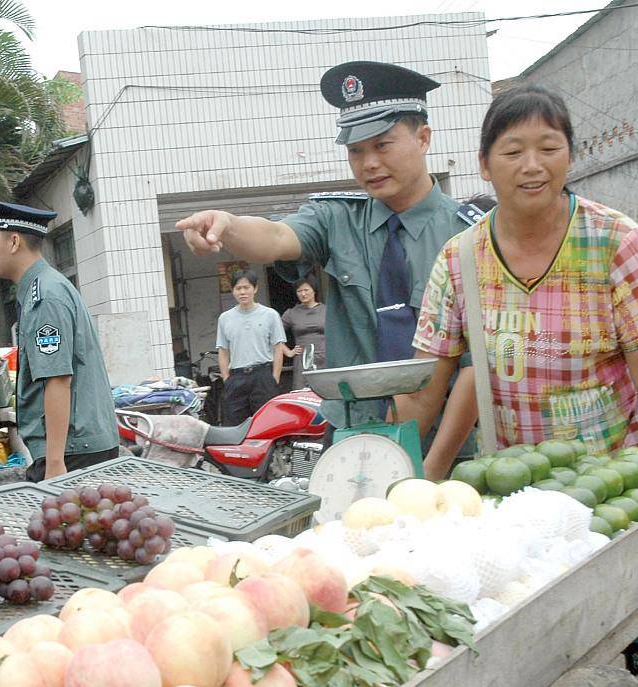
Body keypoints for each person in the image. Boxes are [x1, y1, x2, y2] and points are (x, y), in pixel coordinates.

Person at [399, 85, 638, 475]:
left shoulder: (615, 242)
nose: (532, 165)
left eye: (548, 149)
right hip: (515, 493)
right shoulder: (459, 259)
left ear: (570, 156)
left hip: (621, 486)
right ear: (484, 164)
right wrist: (381, 473)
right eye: (513, 152)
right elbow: (422, 392)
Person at [176, 61, 484, 436]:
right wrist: (227, 224)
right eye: (355, 151)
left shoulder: (470, 235)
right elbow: (274, 237)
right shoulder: (337, 219)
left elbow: (475, 364)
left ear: (423, 138)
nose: (369, 163)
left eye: (382, 145)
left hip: (451, 439)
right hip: (354, 433)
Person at [0, 197, 119, 481]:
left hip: (72, 450)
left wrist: (55, 464)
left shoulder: (46, 298)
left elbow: (57, 379)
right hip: (75, 446)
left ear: (14, 241)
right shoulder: (43, 288)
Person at [216, 270, 286, 423]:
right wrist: (226, 379)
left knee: (266, 424)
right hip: (236, 378)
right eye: (238, 288)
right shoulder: (225, 318)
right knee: (235, 426)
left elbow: (278, 348)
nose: (242, 292)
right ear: (233, 291)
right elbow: (223, 351)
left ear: (255, 289)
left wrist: (274, 378)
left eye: (246, 287)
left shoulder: (270, 315)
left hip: (263, 375)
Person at [281, 274, 326, 390]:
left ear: (314, 290)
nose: (303, 294)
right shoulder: (291, 313)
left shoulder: (326, 310)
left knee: (326, 392)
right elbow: (274, 335)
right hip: (302, 360)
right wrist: (288, 352)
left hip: (325, 358)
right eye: (299, 291)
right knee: (302, 394)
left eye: (306, 290)